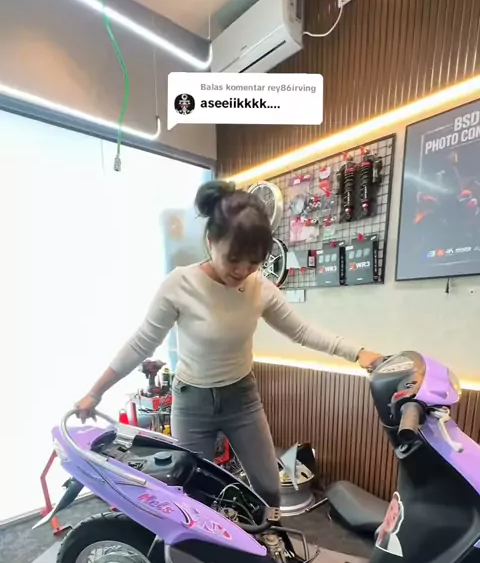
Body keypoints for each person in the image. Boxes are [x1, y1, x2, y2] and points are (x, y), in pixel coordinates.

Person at [75, 180, 382, 507]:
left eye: (253, 262)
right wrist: (96, 392)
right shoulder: (180, 285)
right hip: (192, 404)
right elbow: (141, 343)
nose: (243, 270)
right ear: (211, 242)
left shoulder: (259, 287)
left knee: (268, 488)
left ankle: (266, 539)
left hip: (241, 399)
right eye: (234, 259)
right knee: (193, 497)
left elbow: (302, 331)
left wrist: (358, 353)